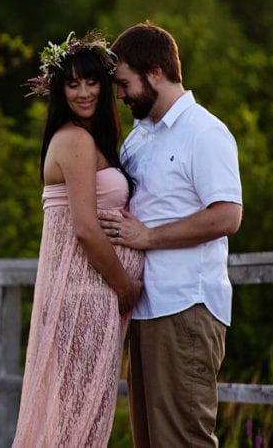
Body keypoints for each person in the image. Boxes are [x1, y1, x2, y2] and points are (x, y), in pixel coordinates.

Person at [98, 22, 243, 448]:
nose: (120, 95)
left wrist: (148, 237)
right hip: (145, 309)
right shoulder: (139, 140)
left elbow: (227, 216)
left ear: (155, 71)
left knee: (184, 440)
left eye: (124, 83)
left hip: (186, 307)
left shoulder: (205, 132)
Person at [12, 30, 144, 447]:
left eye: (92, 82)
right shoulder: (74, 139)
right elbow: (85, 228)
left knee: (82, 419)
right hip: (84, 296)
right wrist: (123, 286)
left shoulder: (93, 141)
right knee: (74, 423)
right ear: (60, 90)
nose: (84, 92)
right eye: (73, 84)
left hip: (92, 297)